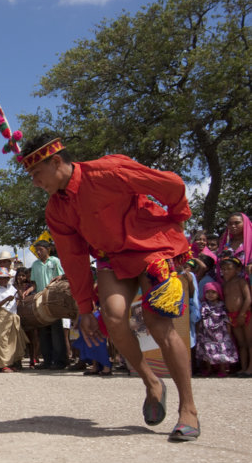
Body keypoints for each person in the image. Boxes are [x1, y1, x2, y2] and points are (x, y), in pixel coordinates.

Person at [21, 132, 199, 441]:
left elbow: (172, 185)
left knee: (159, 325)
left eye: (37, 173)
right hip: (110, 258)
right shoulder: (55, 210)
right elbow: (74, 258)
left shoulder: (108, 171)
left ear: (57, 162)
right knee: (114, 318)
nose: (35, 182)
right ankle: (151, 382)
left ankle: (189, 409)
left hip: (149, 248)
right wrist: (85, 308)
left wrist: (177, 216)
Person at [30, 240, 67, 370]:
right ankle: (47, 360)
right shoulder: (35, 265)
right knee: (43, 332)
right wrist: (28, 291)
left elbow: (62, 276)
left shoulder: (55, 261)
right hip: (41, 300)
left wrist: (60, 277)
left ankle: (60, 361)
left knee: (56, 331)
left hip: (53, 299)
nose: (39, 252)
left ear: (48, 249)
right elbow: (34, 283)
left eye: (41, 249)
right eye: (37, 250)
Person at [196, 282, 238, 377]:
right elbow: (200, 319)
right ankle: (209, 369)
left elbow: (226, 320)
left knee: (221, 350)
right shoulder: (203, 305)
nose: (210, 295)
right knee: (207, 350)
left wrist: (229, 332)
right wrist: (198, 330)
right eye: (207, 292)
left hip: (220, 333)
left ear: (218, 293)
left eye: (213, 292)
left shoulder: (222, 305)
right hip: (206, 333)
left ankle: (222, 369)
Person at [219, 257, 252, 376]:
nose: (226, 271)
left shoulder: (241, 281)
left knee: (250, 342)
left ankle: (250, 368)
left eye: (229, 269)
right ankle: (243, 368)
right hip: (232, 316)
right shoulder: (224, 284)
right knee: (241, 343)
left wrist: (242, 313)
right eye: (223, 269)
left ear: (237, 270)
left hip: (245, 314)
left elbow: (248, 298)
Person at [0, 267, 27, 372]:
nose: (3, 280)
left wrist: (20, 292)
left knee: (14, 340)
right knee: (2, 340)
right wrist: (6, 299)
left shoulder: (12, 288)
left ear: (8, 278)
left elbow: (20, 297)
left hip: (13, 315)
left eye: (5, 278)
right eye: (1, 278)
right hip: (2, 316)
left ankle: (14, 362)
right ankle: (3, 365)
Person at [14, 266, 40, 367]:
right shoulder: (13, 286)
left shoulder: (31, 286)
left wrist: (25, 290)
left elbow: (24, 296)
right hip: (17, 314)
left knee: (32, 337)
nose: (21, 277)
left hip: (29, 314)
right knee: (18, 338)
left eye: (23, 275)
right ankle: (18, 360)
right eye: (19, 275)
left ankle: (33, 358)